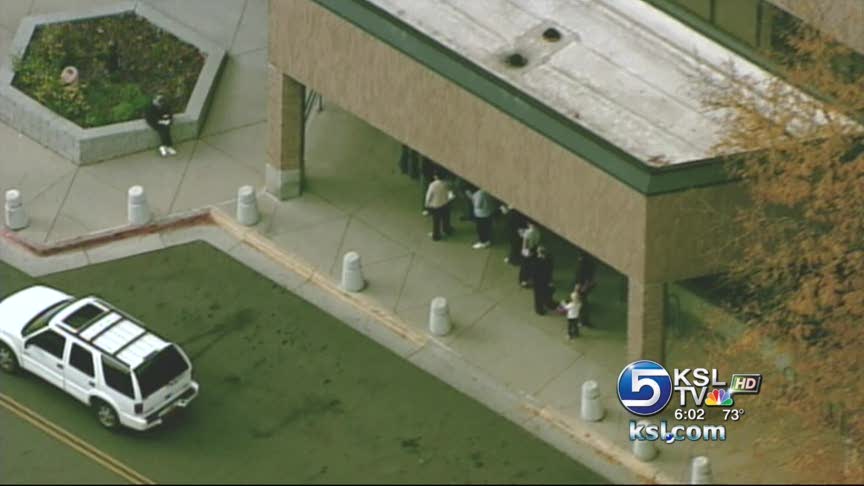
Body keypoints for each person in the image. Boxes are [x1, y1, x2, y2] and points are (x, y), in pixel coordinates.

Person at [425, 172, 453, 240]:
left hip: (436, 205)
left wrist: (427, 204)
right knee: (446, 218)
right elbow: (449, 193)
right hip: (445, 203)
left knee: (436, 221)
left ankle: (436, 235)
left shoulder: (433, 185)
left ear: (436, 176)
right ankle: (447, 230)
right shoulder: (446, 184)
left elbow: (429, 196)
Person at [531, 246, 556, 315]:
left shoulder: (546, 259)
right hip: (539, 281)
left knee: (547, 293)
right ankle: (540, 309)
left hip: (543, 280)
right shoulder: (536, 261)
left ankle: (547, 303)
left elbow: (550, 269)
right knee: (539, 296)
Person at [518, 221, 541, 287]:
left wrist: (526, 254)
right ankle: (530, 278)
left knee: (524, 267)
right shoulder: (538, 231)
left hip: (528, 251)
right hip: (534, 249)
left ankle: (523, 281)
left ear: (528, 224)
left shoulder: (528, 233)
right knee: (532, 265)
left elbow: (524, 246)